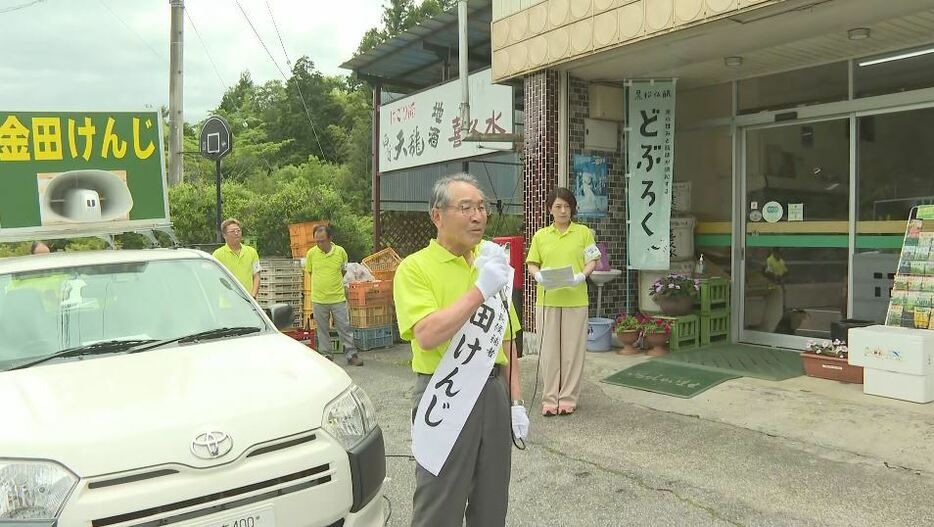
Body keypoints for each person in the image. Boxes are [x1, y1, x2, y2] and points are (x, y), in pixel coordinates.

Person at [394, 174, 526, 527]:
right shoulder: (414, 268)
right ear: (437, 216)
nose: (478, 216)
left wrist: (516, 402)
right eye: (465, 208)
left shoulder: (490, 259)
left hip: (493, 393)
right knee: (440, 504)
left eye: (481, 207)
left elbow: (508, 339)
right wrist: (480, 290)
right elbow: (426, 333)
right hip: (445, 391)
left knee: (492, 502)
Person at [526, 187, 600, 417]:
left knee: (572, 352)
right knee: (548, 352)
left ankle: (567, 398)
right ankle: (549, 399)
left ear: (572, 209)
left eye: (567, 206)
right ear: (550, 209)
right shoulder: (541, 236)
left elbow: (592, 259)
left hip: (576, 299)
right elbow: (532, 263)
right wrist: (537, 275)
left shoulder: (584, 233)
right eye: (558, 206)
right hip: (547, 299)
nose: (563, 210)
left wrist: (582, 275)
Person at [304, 224, 363, 367]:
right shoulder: (311, 253)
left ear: (330, 238)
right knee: (322, 329)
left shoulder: (340, 252)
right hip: (319, 298)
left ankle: (351, 354)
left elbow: (343, 270)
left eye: (322, 241)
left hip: (337, 297)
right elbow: (310, 272)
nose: (319, 244)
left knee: (344, 327)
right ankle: (326, 355)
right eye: (316, 241)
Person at [212, 219, 261, 298]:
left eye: (238, 230)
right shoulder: (217, 255)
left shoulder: (252, 252)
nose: (236, 233)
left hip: (248, 301)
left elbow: (256, 276)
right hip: (226, 303)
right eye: (232, 231)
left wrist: (253, 295)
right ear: (224, 235)